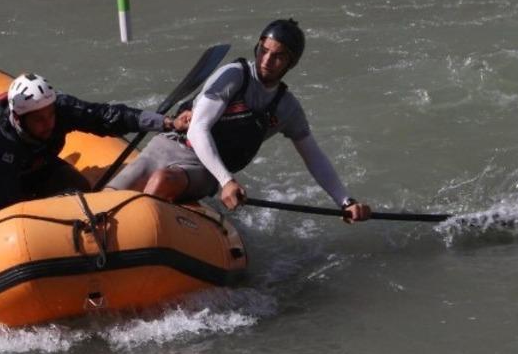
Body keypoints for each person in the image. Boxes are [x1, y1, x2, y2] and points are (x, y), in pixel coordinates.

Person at [107, 18, 371, 222]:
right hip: (165, 146)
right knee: (108, 199)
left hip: (204, 168)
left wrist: (345, 202)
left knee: (161, 181)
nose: (267, 60)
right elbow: (198, 129)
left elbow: (314, 157)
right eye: (264, 50)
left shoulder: (287, 108)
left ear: (291, 63)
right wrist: (228, 181)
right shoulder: (232, 75)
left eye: (278, 56)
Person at [0, 73, 184, 216]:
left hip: (35, 162)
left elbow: (108, 117)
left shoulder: (62, 110)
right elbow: (5, 209)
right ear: (19, 120)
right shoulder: (1, 142)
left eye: (50, 115)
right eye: (39, 120)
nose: (48, 124)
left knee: (78, 189)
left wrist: (165, 122)